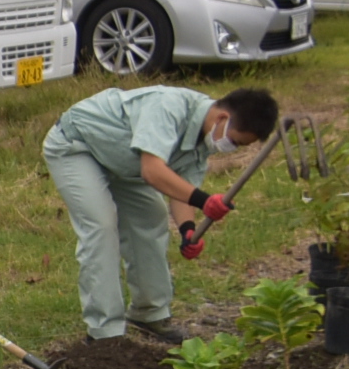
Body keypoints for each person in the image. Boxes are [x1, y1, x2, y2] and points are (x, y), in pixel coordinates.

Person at [39, 84, 279, 341]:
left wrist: (188, 231)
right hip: (77, 147)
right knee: (101, 225)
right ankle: (104, 330)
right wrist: (205, 201)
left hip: (125, 162)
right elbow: (153, 172)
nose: (230, 148)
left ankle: (148, 312)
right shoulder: (169, 107)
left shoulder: (205, 136)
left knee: (151, 217)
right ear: (223, 118)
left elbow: (180, 189)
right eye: (234, 141)